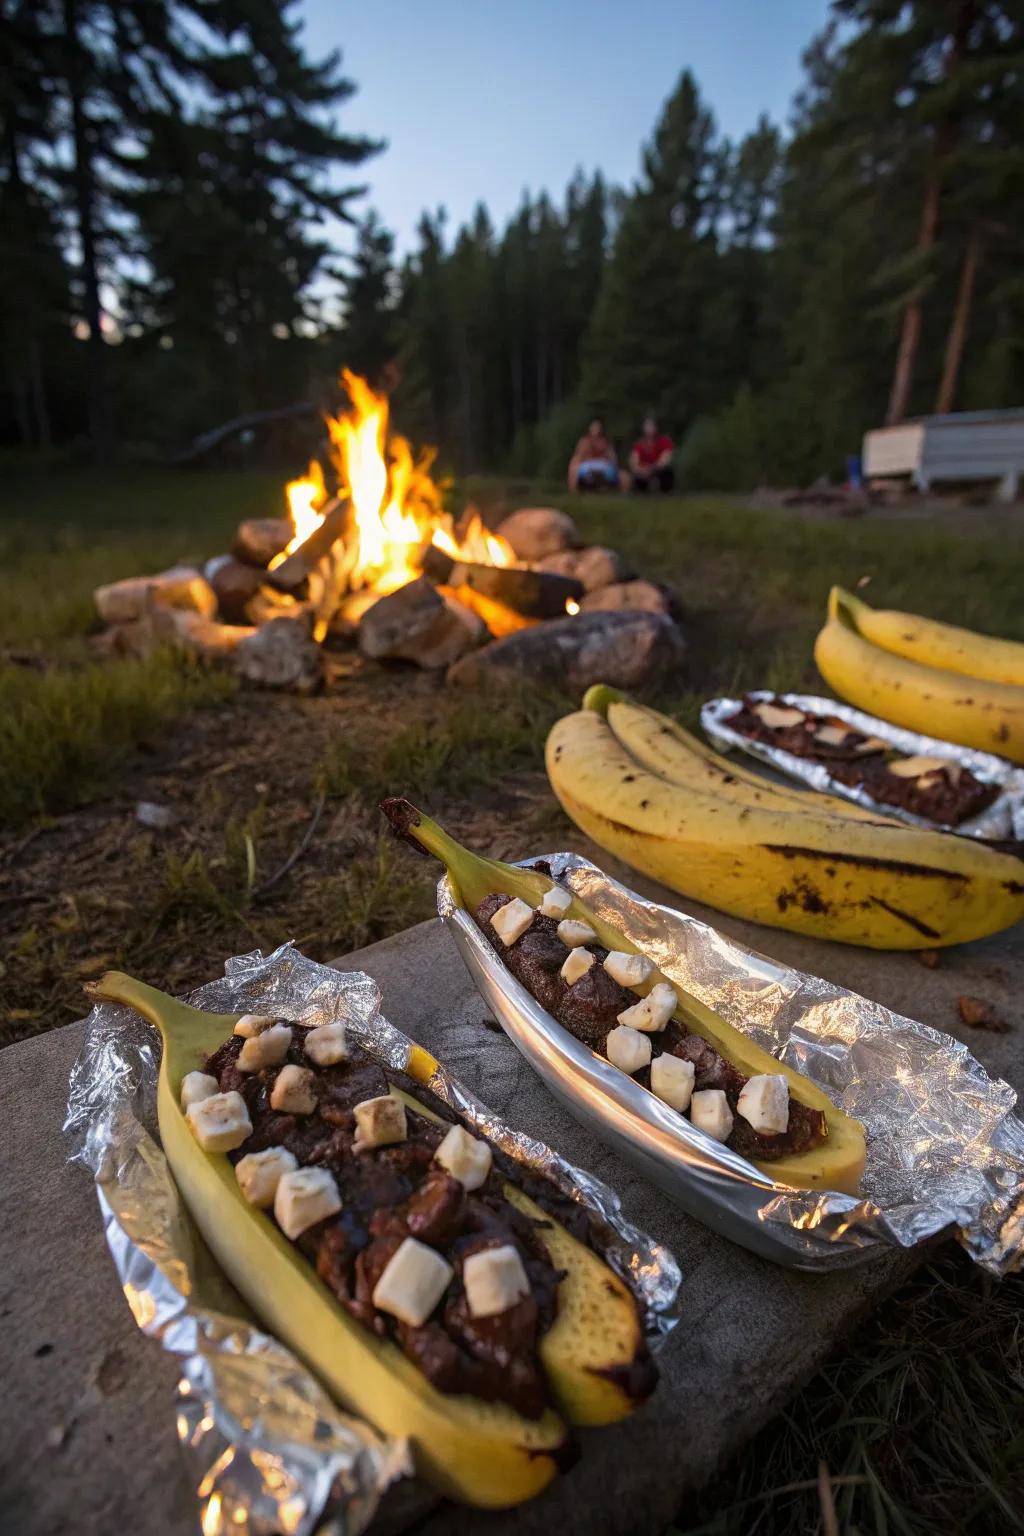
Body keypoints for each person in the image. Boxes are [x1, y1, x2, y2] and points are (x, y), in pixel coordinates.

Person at [568, 418, 621, 492]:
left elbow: (612, 457)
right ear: (590, 429)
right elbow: (579, 455)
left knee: (619, 474)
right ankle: (575, 490)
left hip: (603, 466)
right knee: (575, 468)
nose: (597, 430)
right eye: (595, 428)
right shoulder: (585, 441)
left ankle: (603, 489)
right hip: (587, 465)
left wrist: (613, 464)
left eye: (599, 428)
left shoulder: (606, 442)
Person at [629, 416, 675, 493]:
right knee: (637, 477)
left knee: (667, 472)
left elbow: (665, 460)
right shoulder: (639, 444)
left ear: (656, 427)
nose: (649, 429)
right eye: (647, 426)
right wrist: (642, 470)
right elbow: (633, 462)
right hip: (643, 473)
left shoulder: (665, 441)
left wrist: (651, 469)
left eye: (651, 426)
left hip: (658, 471)